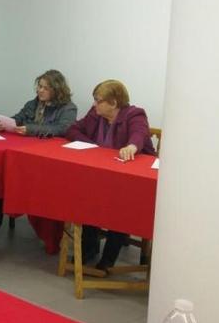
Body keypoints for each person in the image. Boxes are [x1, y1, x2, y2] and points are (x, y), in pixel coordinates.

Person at [65, 79, 156, 270]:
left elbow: (139, 134)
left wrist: (131, 146)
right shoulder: (95, 113)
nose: (94, 104)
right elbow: (73, 129)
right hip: (101, 175)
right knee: (88, 199)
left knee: (121, 207)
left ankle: (108, 258)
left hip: (129, 181)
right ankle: (89, 249)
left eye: (99, 100)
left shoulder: (134, 114)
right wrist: (92, 146)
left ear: (113, 103)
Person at [0, 70, 77, 138]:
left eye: (46, 88)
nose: (40, 90)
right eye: (40, 86)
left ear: (57, 91)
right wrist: (3, 124)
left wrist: (31, 129)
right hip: (27, 142)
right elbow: (18, 118)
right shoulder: (32, 104)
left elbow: (62, 129)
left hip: (50, 146)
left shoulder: (68, 108)